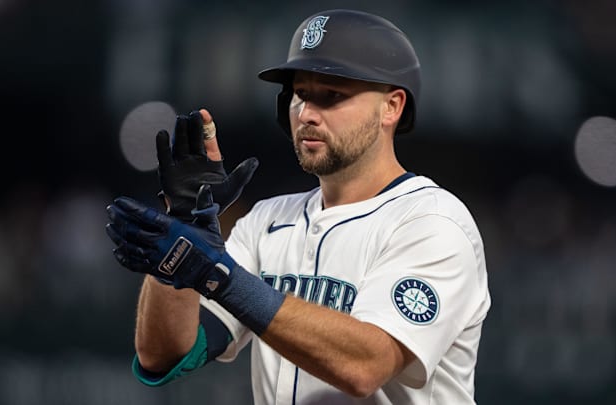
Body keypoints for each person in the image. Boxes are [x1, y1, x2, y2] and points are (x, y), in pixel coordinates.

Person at [105, 8, 491, 405]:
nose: (307, 113)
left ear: (391, 107)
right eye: (301, 94)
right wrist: (174, 259)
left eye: (332, 96)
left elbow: (366, 366)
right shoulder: (267, 221)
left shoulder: (432, 223)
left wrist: (219, 276)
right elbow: (164, 354)